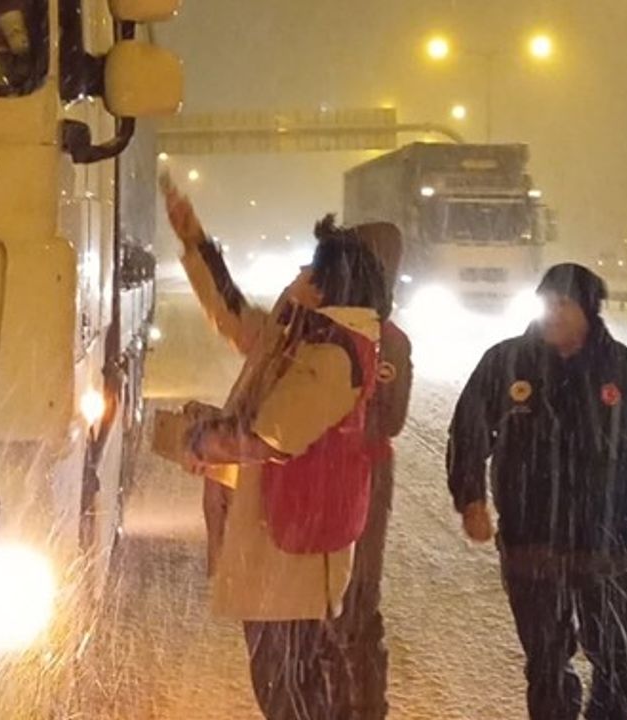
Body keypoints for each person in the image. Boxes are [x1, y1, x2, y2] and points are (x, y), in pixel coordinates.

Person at [165, 180, 394, 720]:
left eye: (306, 268)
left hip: (291, 552)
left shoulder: (332, 356)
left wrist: (199, 439)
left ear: (325, 283)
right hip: (275, 541)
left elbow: (267, 437)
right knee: (284, 683)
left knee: (287, 690)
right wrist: (197, 242)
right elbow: (235, 316)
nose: (296, 275)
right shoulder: (302, 335)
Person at [446, 263, 627, 720]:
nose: (552, 313)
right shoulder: (507, 363)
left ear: (588, 310)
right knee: (547, 665)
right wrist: (470, 498)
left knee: (620, 661)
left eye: (563, 303)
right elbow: (468, 433)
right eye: (546, 302)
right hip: (530, 543)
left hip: (603, 543)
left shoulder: (624, 370)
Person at [331, 225, 412, 720]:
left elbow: (391, 417)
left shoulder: (387, 342)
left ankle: (361, 705)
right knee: (323, 598)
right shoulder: (319, 327)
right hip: (321, 478)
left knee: (356, 597)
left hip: (362, 475)